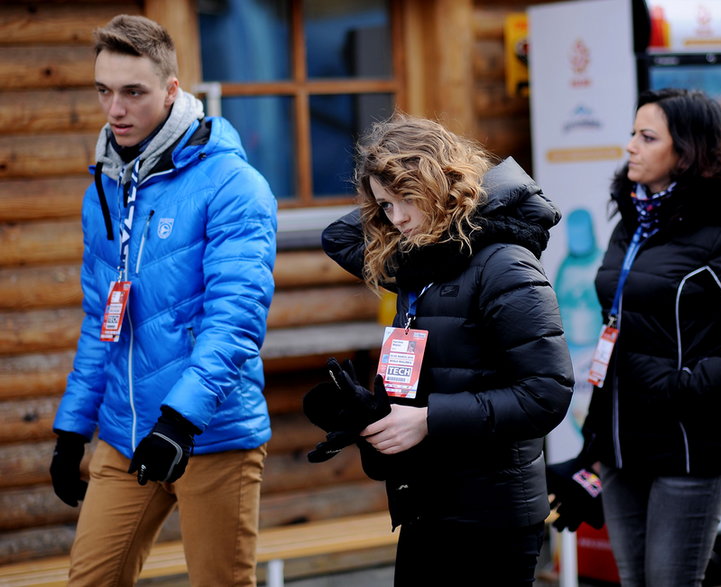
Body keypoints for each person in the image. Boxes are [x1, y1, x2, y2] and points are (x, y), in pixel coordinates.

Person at [48, 15, 277, 585]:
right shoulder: (104, 186)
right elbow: (101, 317)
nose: (115, 109)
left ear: (172, 90)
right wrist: (72, 427)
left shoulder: (232, 184)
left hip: (211, 433)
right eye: (104, 91)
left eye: (133, 92)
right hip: (123, 434)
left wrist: (179, 421)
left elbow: (236, 319)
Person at [316, 113, 574, 586]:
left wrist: (429, 419)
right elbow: (338, 235)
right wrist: (372, 414)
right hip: (426, 504)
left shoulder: (505, 265)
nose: (397, 219)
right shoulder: (423, 264)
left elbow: (546, 393)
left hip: (492, 520)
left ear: (438, 182)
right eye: (384, 207)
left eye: (404, 199)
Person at [574, 88, 721, 586]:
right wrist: (591, 440)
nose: (630, 146)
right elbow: (621, 333)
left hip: (688, 444)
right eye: (633, 133)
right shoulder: (633, 217)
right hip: (619, 442)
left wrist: (685, 387)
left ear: (686, 151)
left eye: (647, 137)